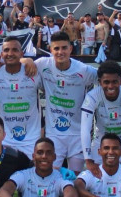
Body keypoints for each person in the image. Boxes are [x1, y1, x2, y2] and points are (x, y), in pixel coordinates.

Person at [35, 31, 98, 171]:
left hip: (78, 133)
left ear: (70, 48)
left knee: (75, 177)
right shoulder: (42, 64)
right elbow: (22, 65)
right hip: (54, 133)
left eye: (64, 48)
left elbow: (107, 76)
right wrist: (26, 60)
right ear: (51, 50)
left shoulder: (83, 69)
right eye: (56, 48)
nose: (60, 52)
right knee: (51, 175)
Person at [80, 61, 121, 178]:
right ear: (99, 82)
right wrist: (88, 160)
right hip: (100, 146)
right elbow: (85, 129)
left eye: (114, 82)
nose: (110, 86)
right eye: (106, 82)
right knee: (97, 182)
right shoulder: (92, 96)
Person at [0, 36, 42, 158]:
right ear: (1, 54)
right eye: (6, 50)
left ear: (21, 53)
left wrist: (28, 60)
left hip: (31, 139)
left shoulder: (33, 72)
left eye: (14, 50)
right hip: (6, 139)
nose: (10, 53)